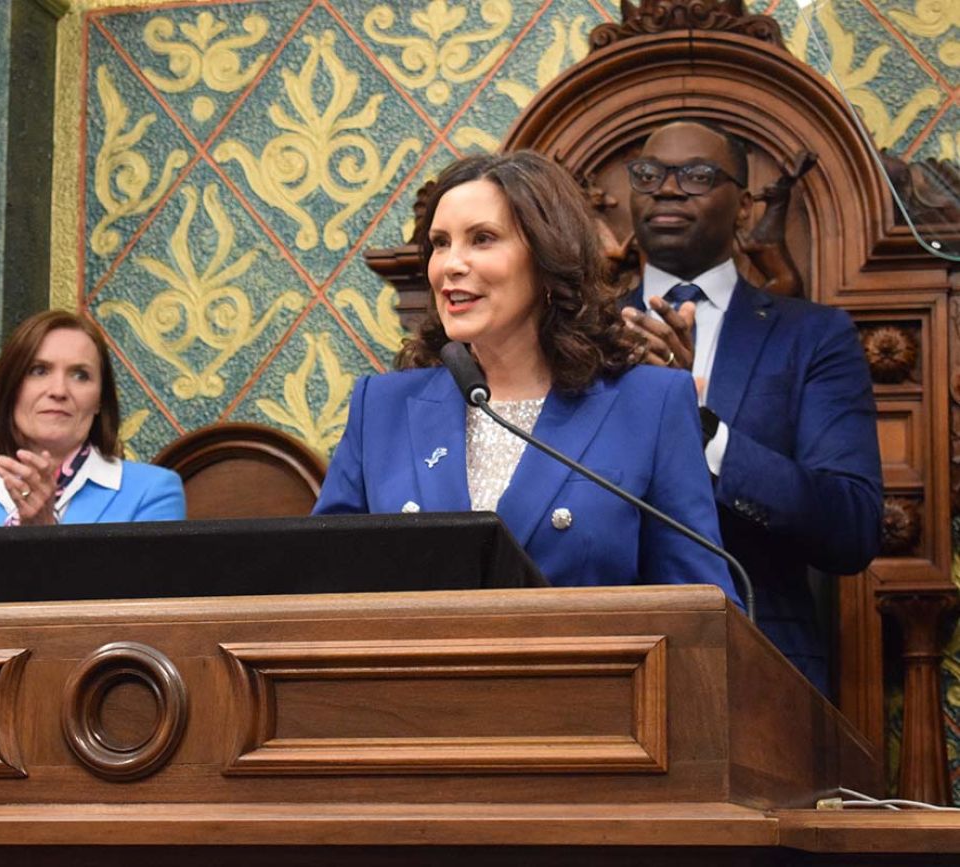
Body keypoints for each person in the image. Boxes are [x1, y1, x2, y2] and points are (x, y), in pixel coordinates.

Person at [314, 151, 740, 602]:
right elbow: (320, 590)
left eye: (482, 239)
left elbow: (704, 611)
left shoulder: (649, 405)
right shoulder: (381, 408)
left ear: (547, 257)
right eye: (440, 243)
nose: (451, 265)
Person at [620, 121, 883, 694]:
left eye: (696, 175)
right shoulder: (581, 335)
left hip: (765, 665)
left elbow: (852, 525)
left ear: (743, 209)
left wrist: (698, 426)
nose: (667, 188)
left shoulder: (812, 336)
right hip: (608, 657)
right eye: (648, 174)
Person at [0, 310, 185, 532]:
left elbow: (143, 608)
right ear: (10, 390)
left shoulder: (153, 492)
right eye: (39, 371)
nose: (58, 391)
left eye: (80, 375)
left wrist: (46, 537)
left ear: (100, 400)